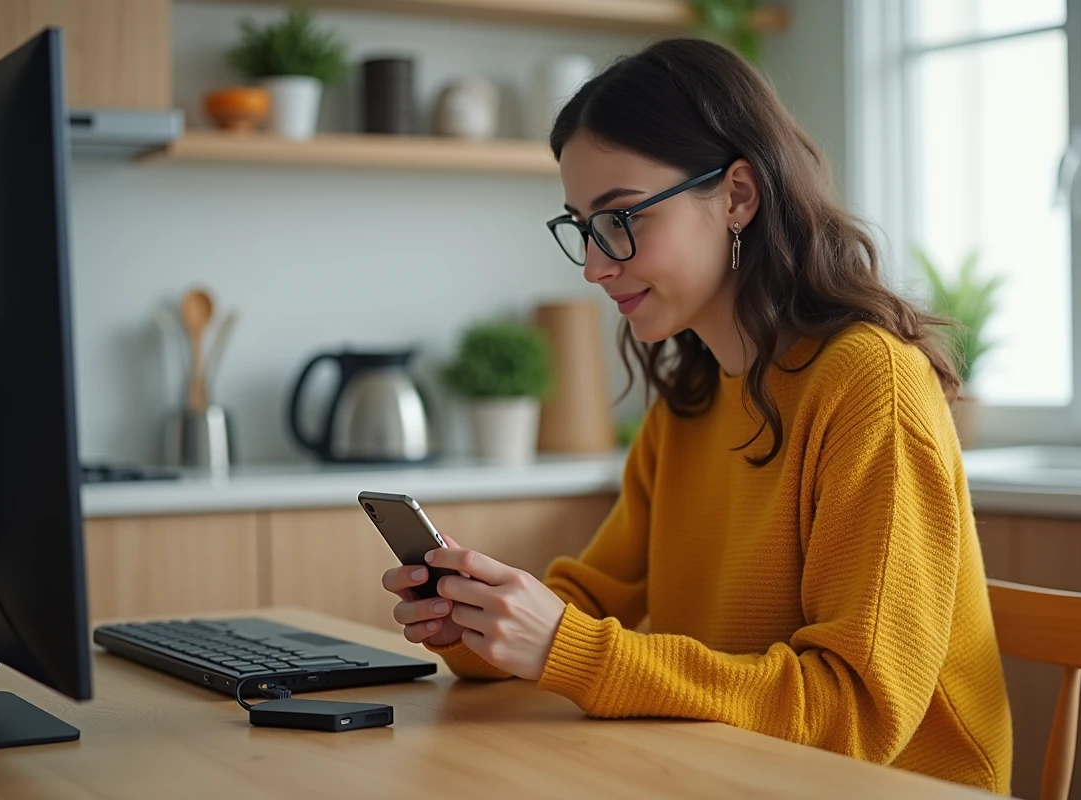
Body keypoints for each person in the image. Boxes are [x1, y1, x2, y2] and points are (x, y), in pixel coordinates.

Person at [381, 37, 1012, 793]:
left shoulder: (872, 386)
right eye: (581, 226)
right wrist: (483, 621)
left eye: (621, 218)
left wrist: (569, 648)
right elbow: (590, 600)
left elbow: (856, 715)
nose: (593, 263)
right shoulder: (693, 400)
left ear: (737, 195)